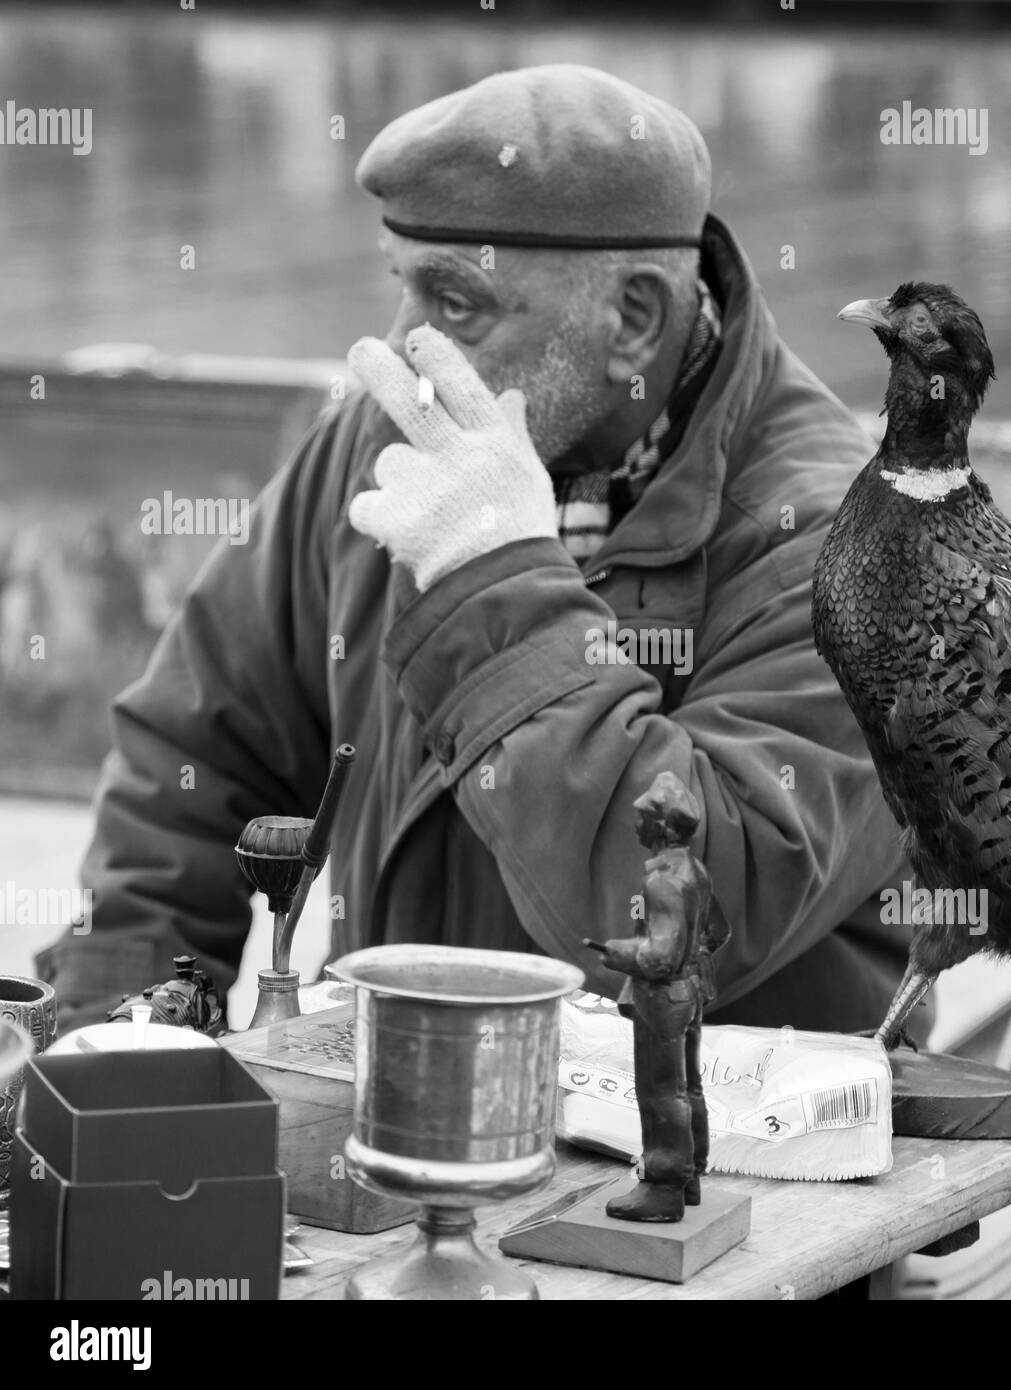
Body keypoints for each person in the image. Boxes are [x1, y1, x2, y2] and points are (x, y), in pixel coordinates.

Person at [36, 64, 925, 1042]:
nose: (400, 352)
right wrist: (118, 1040)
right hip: (398, 1122)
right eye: (400, 287)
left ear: (633, 319)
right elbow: (193, 760)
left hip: (729, 1171)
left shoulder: (860, 548)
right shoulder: (390, 437)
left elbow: (681, 919)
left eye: (454, 304)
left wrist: (491, 581)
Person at [586, 771, 729, 1223]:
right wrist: (693, 958)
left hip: (664, 998)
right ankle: (689, 1179)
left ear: (663, 827)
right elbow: (718, 932)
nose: (637, 824)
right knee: (688, 1087)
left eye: (644, 816)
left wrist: (616, 952)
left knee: (660, 1092)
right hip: (690, 993)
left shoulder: (664, 882)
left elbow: (660, 956)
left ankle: (664, 1187)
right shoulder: (696, 871)